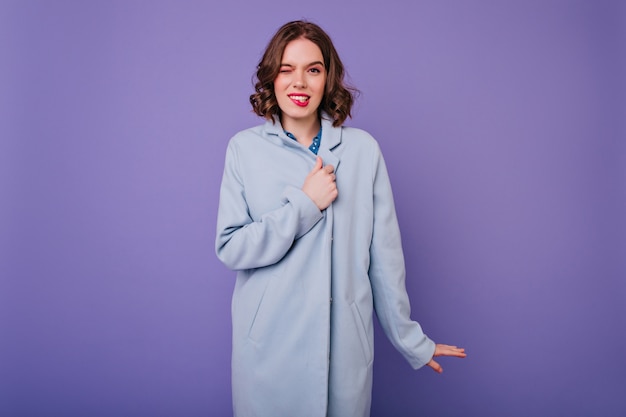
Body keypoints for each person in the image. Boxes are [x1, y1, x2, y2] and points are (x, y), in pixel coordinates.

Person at [215, 20, 466, 417]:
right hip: (267, 353)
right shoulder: (243, 150)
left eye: (313, 69)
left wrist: (410, 340)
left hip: (344, 355)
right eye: (287, 69)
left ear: (328, 78)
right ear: (271, 77)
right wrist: (304, 206)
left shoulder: (363, 151)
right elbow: (230, 247)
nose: (300, 82)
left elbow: (384, 260)